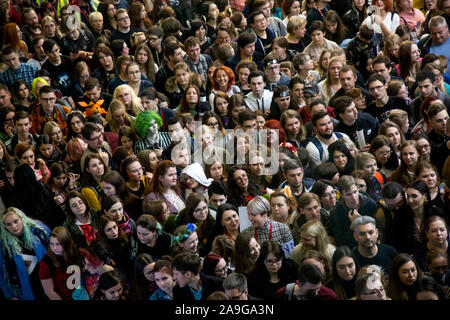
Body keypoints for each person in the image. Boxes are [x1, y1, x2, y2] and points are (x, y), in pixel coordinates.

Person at [0, 207, 50, 300]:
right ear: (5, 227)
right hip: (28, 289)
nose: (14, 227)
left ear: (22, 218)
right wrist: (10, 296)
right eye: (8, 224)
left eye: (16, 221)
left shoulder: (39, 230)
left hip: (50, 282)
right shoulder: (4, 245)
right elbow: (1, 273)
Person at [393, 180, 445, 254]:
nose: (410, 200)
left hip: (436, 255)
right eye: (407, 196)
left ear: (425, 196)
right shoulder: (401, 215)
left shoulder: (437, 213)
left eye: (414, 196)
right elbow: (396, 243)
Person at [328, 175, 378, 248]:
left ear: (358, 189)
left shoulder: (370, 204)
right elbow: (340, 242)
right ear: (341, 195)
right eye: (349, 194)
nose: (354, 198)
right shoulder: (336, 212)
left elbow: (379, 232)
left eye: (355, 192)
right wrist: (354, 226)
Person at [39, 226, 84, 300]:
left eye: (58, 244)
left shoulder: (75, 251)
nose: (54, 248)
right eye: (51, 244)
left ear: (66, 243)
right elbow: (50, 292)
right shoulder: (46, 262)